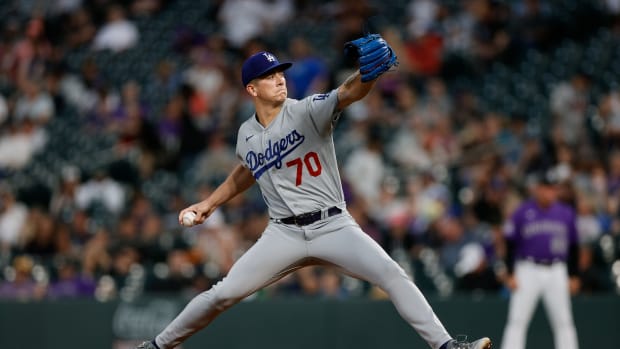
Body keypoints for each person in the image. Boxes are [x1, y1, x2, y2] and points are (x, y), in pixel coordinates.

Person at [136, 34, 491, 349]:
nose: (279, 80)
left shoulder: (307, 111)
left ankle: (446, 346)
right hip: (283, 233)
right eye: (269, 77)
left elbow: (347, 93)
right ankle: (157, 345)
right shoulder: (246, 133)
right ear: (251, 89)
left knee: (391, 273)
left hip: (333, 225)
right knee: (222, 294)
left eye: (280, 73)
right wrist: (209, 203)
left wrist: (367, 75)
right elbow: (246, 170)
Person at [500, 170, 580, 349]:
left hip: (557, 269)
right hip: (528, 269)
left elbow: (574, 246)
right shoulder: (522, 211)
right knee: (517, 319)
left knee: (564, 321)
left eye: (553, 189)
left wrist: (574, 275)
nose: (550, 193)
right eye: (546, 188)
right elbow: (510, 243)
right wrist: (510, 272)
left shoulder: (566, 213)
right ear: (537, 189)